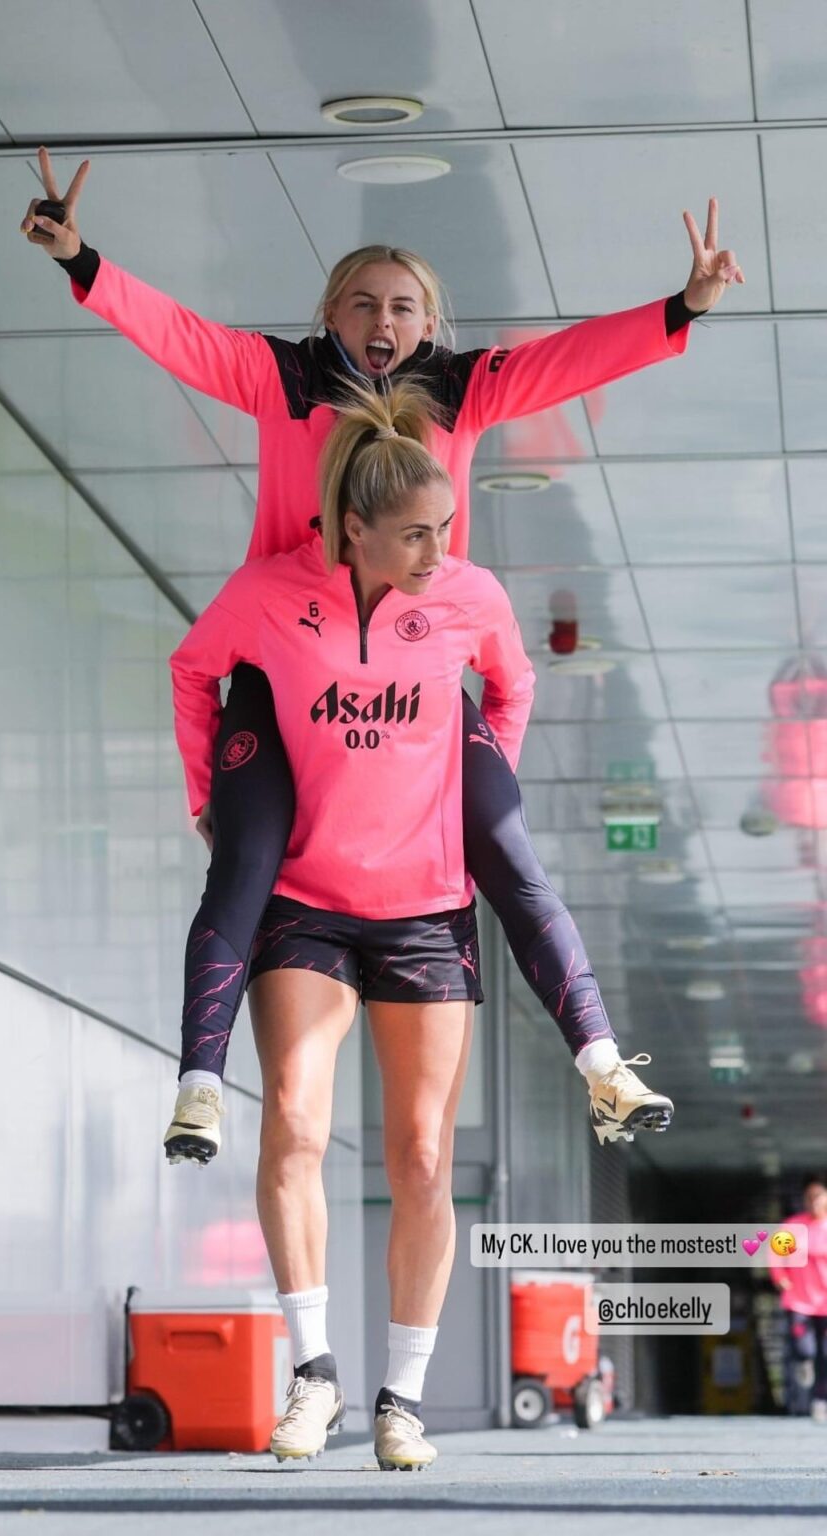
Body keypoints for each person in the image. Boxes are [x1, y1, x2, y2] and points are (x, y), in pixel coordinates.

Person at [21, 150, 742, 1156]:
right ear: (332, 316)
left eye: (403, 306)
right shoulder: (284, 380)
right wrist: (83, 260)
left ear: (429, 325)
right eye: (361, 304)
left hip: (413, 676)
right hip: (290, 663)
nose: (381, 322)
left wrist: (686, 305)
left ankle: (604, 1067)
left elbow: (573, 360)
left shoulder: (465, 391)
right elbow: (180, 338)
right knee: (244, 867)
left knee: (509, 857)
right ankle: (200, 1087)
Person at [169, 379, 664, 1467]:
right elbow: (194, 670)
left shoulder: (470, 597)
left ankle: (403, 1395)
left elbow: (515, 682)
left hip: (427, 910)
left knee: (424, 1155)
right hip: (306, 902)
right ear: (354, 528)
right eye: (414, 535)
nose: (438, 551)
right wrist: (209, 794)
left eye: (444, 529)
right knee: (295, 1121)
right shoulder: (268, 593)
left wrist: (483, 786)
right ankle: (314, 1379)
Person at [768, 1179, 827, 1420]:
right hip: (799, 1299)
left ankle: (820, 1400)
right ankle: (804, 1363)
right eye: (810, 1197)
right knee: (806, 1349)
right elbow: (775, 1256)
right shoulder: (792, 1228)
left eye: (819, 1196)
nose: (814, 1201)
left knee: (826, 1355)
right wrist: (780, 1277)